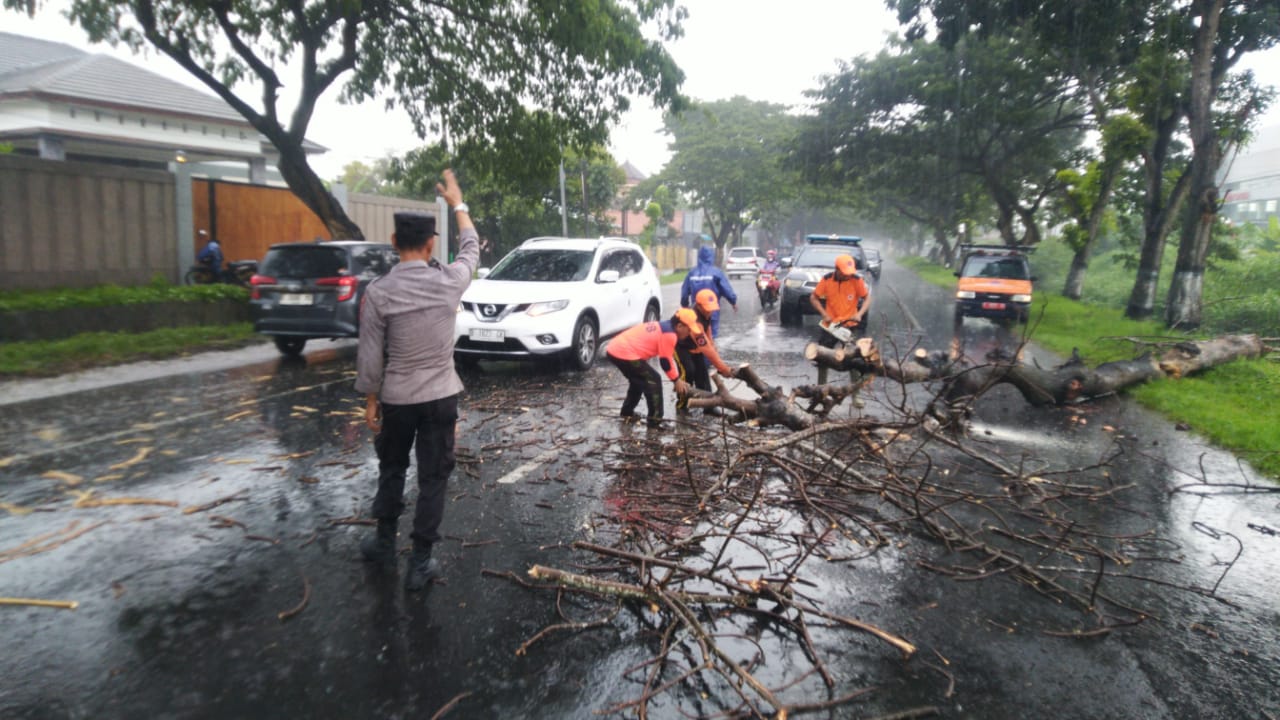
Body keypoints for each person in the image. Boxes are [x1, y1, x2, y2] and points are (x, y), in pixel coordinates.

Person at [354, 168, 479, 592]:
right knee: (433, 478)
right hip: (441, 397)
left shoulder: (379, 292)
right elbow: (471, 248)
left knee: (391, 467)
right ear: (430, 245)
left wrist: (371, 400)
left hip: (397, 398)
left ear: (393, 244)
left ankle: (385, 543)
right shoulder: (449, 282)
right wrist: (457, 203)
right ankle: (420, 562)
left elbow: (370, 355)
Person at [605, 309, 698, 427]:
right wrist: (676, 380)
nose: (689, 333)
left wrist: (676, 379)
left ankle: (627, 412)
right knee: (653, 380)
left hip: (615, 349)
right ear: (679, 326)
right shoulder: (670, 335)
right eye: (689, 329)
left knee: (638, 381)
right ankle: (655, 421)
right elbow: (665, 361)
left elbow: (665, 359)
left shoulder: (666, 327)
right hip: (623, 352)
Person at [809, 253, 872, 385]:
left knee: (853, 359)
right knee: (823, 357)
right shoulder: (826, 280)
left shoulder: (856, 280)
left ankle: (855, 394)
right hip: (830, 325)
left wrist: (860, 313)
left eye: (849, 273)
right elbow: (814, 297)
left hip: (850, 325)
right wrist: (823, 313)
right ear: (837, 269)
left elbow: (867, 297)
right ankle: (821, 389)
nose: (847, 275)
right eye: (844, 272)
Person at [676, 289, 737, 415]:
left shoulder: (706, 315)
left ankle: (708, 406)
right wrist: (723, 368)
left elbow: (709, 339)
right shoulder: (693, 319)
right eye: (707, 309)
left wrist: (719, 363)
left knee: (703, 374)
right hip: (680, 346)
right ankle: (682, 406)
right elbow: (706, 348)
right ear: (698, 305)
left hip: (696, 347)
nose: (710, 311)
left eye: (712, 308)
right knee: (688, 371)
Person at [680, 246, 738, 336]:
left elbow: (684, 293)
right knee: (711, 336)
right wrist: (733, 302)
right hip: (712, 311)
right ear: (712, 257)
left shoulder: (691, 273)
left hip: (696, 311)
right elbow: (726, 289)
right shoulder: (716, 272)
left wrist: (685, 305)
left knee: (696, 335)